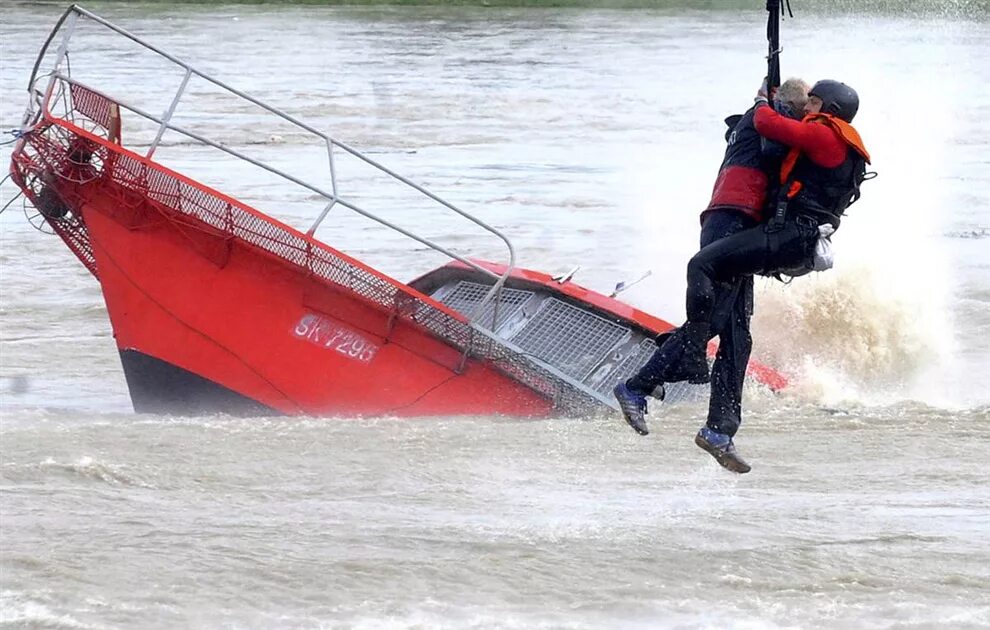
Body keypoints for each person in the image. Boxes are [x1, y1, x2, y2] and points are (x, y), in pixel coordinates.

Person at [615, 79, 871, 474]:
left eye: (814, 105)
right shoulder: (798, 129)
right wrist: (766, 101)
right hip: (757, 228)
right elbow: (776, 135)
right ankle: (690, 409)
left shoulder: (811, 133)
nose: (808, 112)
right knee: (728, 328)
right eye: (806, 106)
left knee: (721, 305)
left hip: (766, 231)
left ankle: (689, 404)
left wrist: (764, 103)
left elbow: (777, 134)